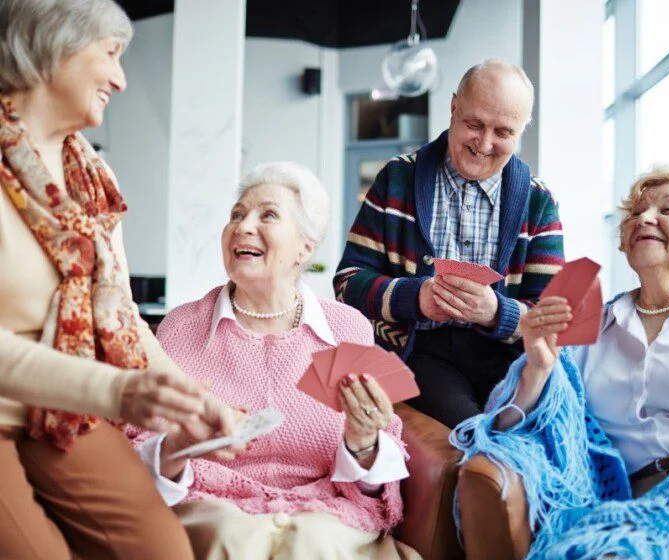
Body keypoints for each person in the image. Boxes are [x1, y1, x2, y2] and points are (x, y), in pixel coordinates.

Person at [0, 1, 244, 558]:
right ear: (53, 44)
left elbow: (123, 316)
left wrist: (193, 399)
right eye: (110, 54)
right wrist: (116, 389)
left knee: (164, 551)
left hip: (60, 412)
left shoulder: (91, 176)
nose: (121, 78)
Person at [131, 162, 418, 560]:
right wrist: (180, 445)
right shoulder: (181, 326)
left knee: (313, 542)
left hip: (325, 518)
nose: (243, 226)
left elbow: (374, 490)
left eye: (267, 215)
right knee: (233, 537)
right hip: (213, 513)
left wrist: (363, 443)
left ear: (306, 247)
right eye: (236, 215)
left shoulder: (347, 328)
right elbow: (144, 457)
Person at [452, 166, 669, 558]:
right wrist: (538, 369)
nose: (644, 218)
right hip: (602, 506)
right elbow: (507, 428)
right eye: (637, 212)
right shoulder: (589, 325)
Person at [334, 58, 565, 428]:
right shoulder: (397, 178)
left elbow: (553, 319)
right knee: (473, 431)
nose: (484, 144)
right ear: (454, 106)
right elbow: (346, 284)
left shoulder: (539, 202)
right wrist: (416, 297)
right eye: (474, 124)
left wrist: (496, 312)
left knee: (546, 429)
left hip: (510, 359)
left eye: (503, 132)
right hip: (422, 354)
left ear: (523, 130)